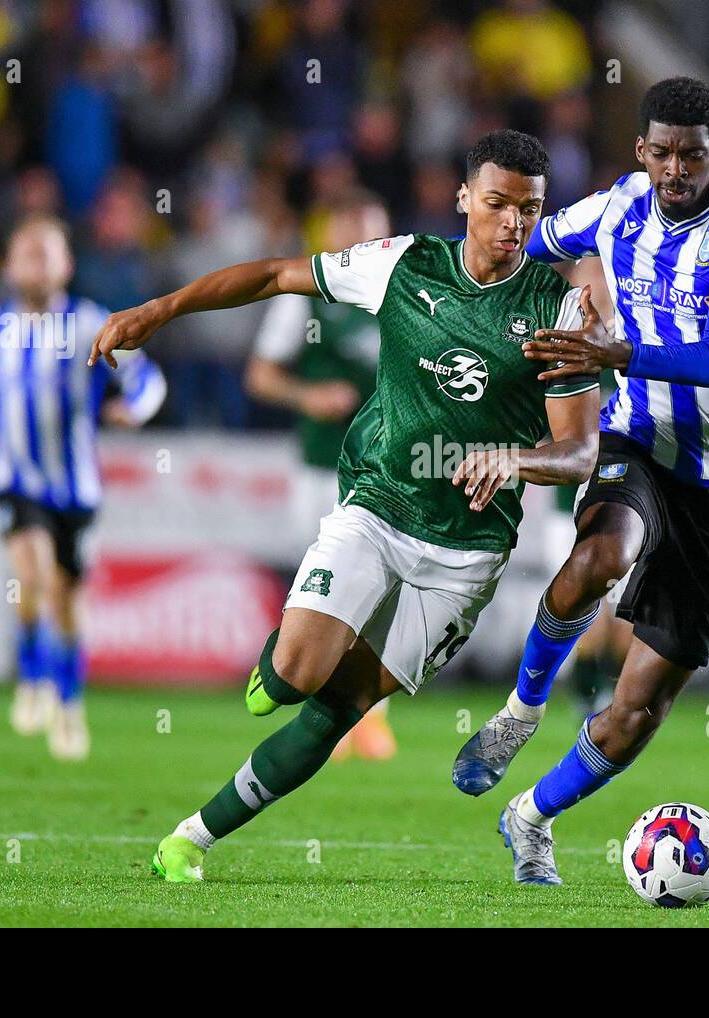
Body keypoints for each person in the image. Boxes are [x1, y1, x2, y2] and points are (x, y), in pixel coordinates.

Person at [88, 130, 602, 883]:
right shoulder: (404, 264)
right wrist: (158, 311)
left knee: (341, 709)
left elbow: (580, 452)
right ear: (464, 199)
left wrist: (513, 459)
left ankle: (189, 840)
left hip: (465, 556)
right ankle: (280, 666)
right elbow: (272, 276)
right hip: (378, 504)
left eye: (528, 209)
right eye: (496, 203)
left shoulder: (558, 309)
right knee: (297, 672)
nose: (512, 223)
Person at [452, 78, 709, 885]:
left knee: (638, 710)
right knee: (602, 554)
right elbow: (517, 246)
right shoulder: (613, 208)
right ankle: (520, 712)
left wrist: (612, 352)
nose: (676, 169)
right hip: (632, 437)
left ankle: (530, 817)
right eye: (663, 152)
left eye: (693, 155)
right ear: (643, 151)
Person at [0, 215, 166, 760]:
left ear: (66, 264)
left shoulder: (91, 322)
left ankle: (67, 704)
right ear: (9, 264)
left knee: (66, 598)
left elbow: (147, 380)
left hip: (74, 488)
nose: (35, 264)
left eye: (47, 253)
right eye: (26, 253)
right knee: (30, 572)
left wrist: (134, 409)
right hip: (14, 480)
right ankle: (32, 675)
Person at [246, 188, 396, 761]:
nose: (368, 246)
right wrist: (308, 396)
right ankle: (320, 713)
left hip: (389, 471)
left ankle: (369, 716)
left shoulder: (406, 297)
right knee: (327, 593)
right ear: (333, 234)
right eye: (357, 233)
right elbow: (259, 375)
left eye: (377, 236)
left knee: (382, 594)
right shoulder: (306, 298)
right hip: (321, 467)